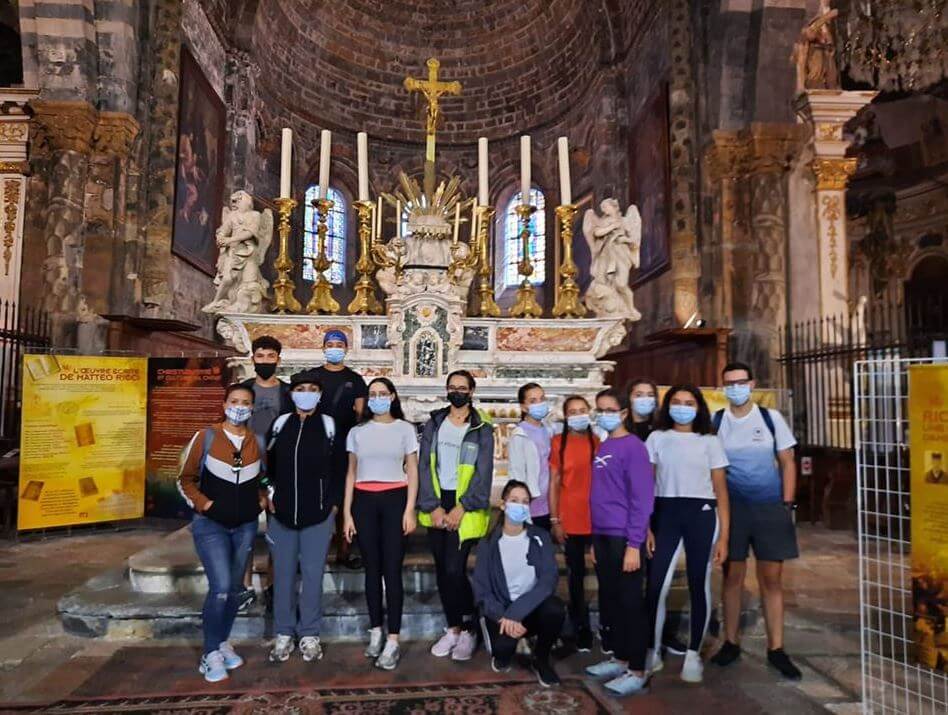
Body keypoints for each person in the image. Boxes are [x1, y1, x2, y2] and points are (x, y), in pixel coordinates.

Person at [710, 361, 801, 680]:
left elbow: (787, 461)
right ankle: (730, 642)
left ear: (751, 384)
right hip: (732, 509)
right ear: (723, 388)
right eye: (729, 384)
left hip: (768, 507)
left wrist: (786, 503)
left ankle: (777, 648)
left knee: (771, 579)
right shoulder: (717, 421)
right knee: (732, 576)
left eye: (740, 382)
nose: (735, 388)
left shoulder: (770, 418)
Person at [177, 384, 266, 683]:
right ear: (224, 404)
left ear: (252, 408)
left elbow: (263, 479)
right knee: (221, 588)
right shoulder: (205, 437)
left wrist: (261, 501)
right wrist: (206, 505)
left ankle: (222, 641)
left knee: (235, 590)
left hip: (244, 526)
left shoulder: (257, 441)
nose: (239, 407)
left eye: (245, 402)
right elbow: (185, 479)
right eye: (234, 401)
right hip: (211, 525)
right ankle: (210, 653)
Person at [644, 385, 730, 683]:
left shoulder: (710, 441)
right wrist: (645, 526)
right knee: (657, 585)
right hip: (665, 513)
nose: (682, 407)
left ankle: (693, 654)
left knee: (698, 583)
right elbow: (646, 485)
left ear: (698, 407)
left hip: (701, 514)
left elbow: (721, 491)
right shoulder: (657, 438)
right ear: (668, 406)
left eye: (689, 402)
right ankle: (652, 650)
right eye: (677, 402)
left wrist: (724, 537)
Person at [264, 369, 345, 664]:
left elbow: (340, 469)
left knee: (312, 577)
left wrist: (332, 505)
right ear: (292, 393)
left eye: (312, 389)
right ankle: (284, 632)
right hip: (282, 514)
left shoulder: (329, 426)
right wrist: (269, 493)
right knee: (283, 576)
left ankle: (309, 633)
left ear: (320, 395)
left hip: (318, 515)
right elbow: (266, 466)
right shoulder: (280, 424)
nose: (306, 394)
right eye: (301, 389)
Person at [417, 369, 494, 662]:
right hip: (438, 500)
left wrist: (463, 506)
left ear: (471, 391)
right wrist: (432, 505)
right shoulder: (435, 423)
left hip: (465, 504)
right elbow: (425, 465)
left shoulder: (482, 427)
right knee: (441, 570)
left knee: (454, 569)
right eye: (452, 387)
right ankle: (452, 628)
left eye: (462, 387)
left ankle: (470, 627)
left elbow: (483, 471)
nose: (457, 392)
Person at [343, 378, 419, 671]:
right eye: (372, 394)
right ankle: (375, 630)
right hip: (363, 501)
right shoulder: (357, 432)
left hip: (395, 499)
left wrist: (409, 509)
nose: (377, 398)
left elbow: (412, 470)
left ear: (393, 396)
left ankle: (393, 639)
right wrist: (347, 513)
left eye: (382, 393)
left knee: (392, 570)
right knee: (371, 570)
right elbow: (351, 473)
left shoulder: (405, 429)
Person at [584, 388, 654, 697]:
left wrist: (634, 544)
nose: (604, 415)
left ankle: (637, 670)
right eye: (599, 409)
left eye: (610, 410)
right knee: (612, 601)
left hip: (623, 536)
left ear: (624, 413)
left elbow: (642, 498)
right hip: (602, 535)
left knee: (630, 603)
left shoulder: (633, 447)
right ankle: (621, 658)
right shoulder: (605, 444)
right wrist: (593, 540)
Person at [473, 480, 566, 687]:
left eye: (525, 502)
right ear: (503, 505)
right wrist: (505, 616)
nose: (520, 506)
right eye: (514, 500)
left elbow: (548, 580)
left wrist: (517, 613)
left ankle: (541, 658)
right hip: (502, 613)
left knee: (555, 609)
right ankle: (506, 646)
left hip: (529, 608)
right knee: (503, 653)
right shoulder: (488, 543)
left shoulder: (540, 537)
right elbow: (482, 590)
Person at [237, 335, 294, 610]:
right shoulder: (243, 390)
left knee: (278, 531)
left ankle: (273, 585)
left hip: (278, 469)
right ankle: (244, 586)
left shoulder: (288, 393)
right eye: (260, 356)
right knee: (245, 530)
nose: (265, 361)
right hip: (246, 467)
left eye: (271, 357)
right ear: (253, 359)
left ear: (278, 360)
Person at [314, 329, 368, 570]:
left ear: (346, 349)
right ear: (323, 348)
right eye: (330, 344)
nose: (334, 348)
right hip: (317, 443)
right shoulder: (313, 376)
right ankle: (315, 549)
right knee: (318, 495)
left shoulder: (355, 380)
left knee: (346, 496)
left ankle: (344, 551)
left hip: (345, 445)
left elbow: (361, 413)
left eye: (339, 344)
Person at [548, 394, 598, 652]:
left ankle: (608, 625)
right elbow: (554, 482)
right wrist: (555, 519)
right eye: (573, 412)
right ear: (565, 417)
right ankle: (580, 627)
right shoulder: (558, 443)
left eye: (582, 410)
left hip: (597, 518)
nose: (578, 415)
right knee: (575, 576)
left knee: (604, 573)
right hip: (570, 517)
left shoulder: (598, 442)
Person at [507, 382, 553, 530]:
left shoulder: (548, 430)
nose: (539, 404)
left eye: (542, 399)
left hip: (549, 504)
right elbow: (516, 474)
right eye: (533, 401)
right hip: (530, 506)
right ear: (523, 407)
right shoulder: (519, 435)